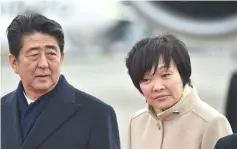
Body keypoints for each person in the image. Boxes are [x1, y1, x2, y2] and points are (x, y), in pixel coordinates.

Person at [1, 13, 120, 149]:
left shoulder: (97, 114)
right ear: (14, 63)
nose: (44, 64)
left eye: (51, 54)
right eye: (33, 55)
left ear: (61, 58)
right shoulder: (3, 110)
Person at [125, 34, 232, 149]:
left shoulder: (212, 123)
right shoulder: (136, 121)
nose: (157, 87)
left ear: (183, 74)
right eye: (146, 80)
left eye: (165, 75)